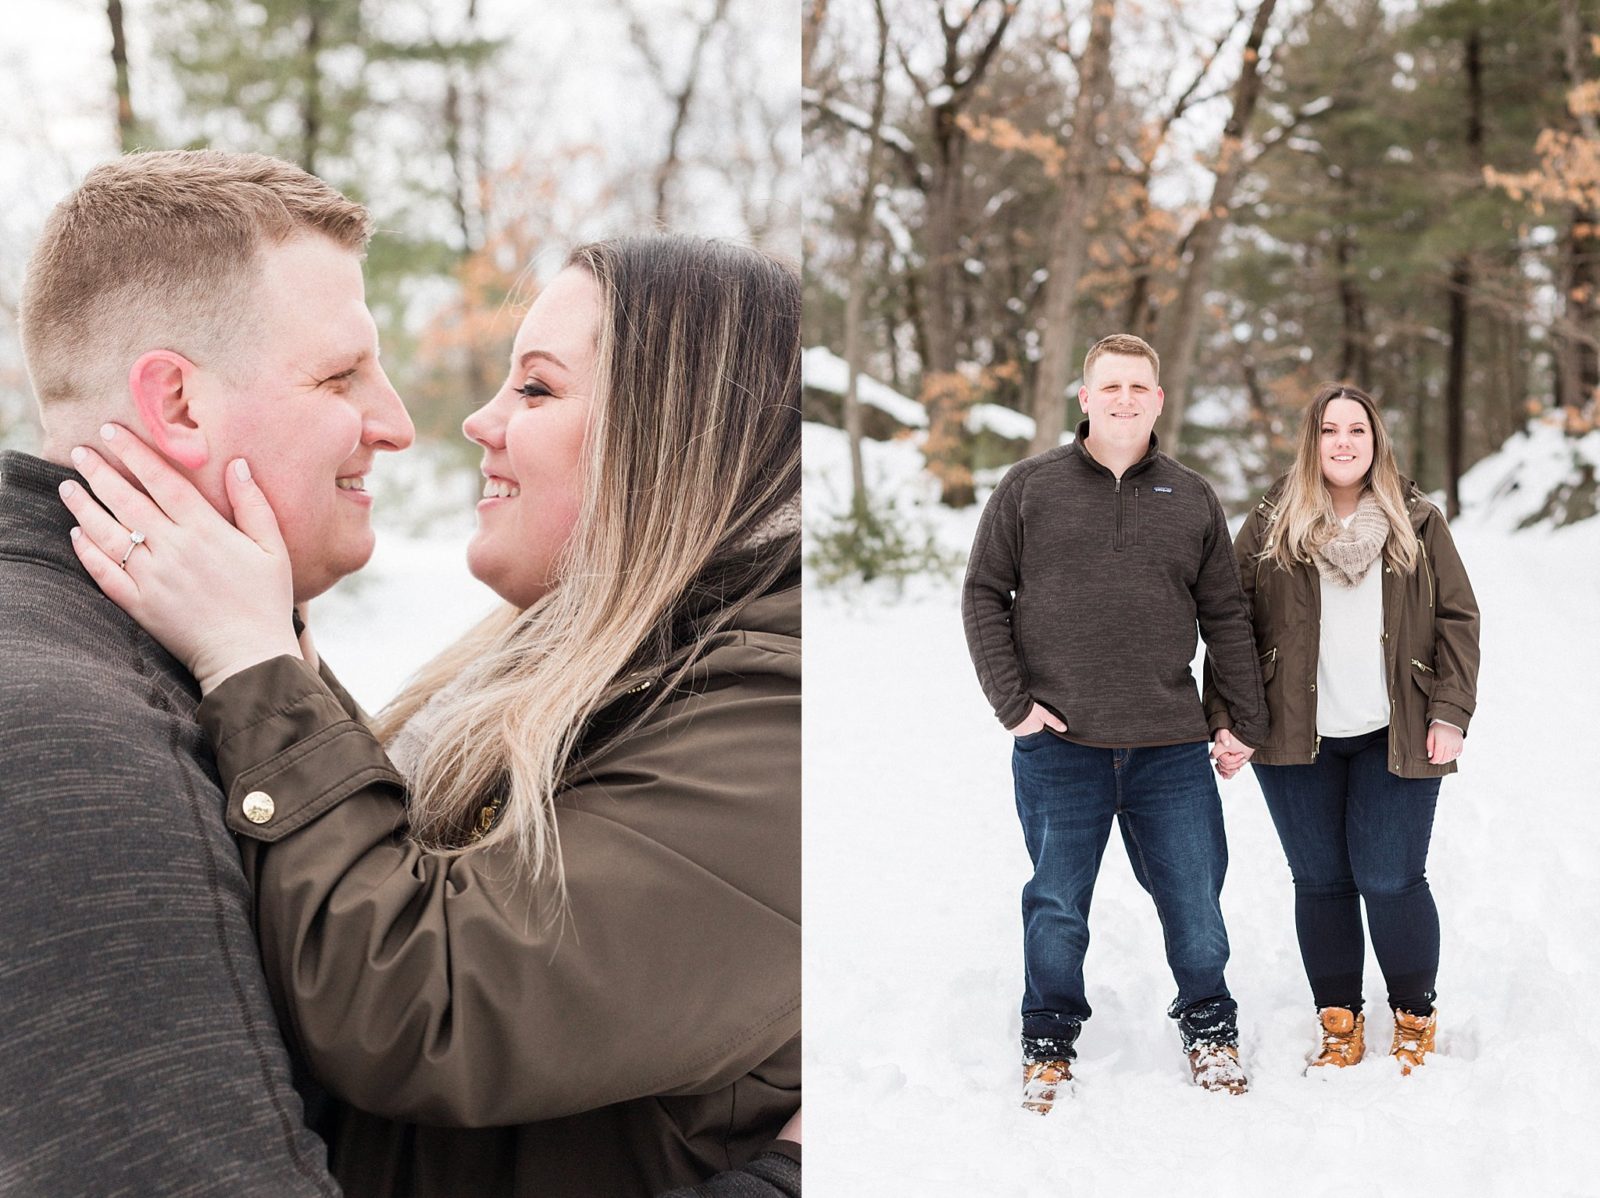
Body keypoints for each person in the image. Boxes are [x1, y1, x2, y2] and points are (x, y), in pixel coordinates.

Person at [63, 234, 801, 1197]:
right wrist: (279, 657)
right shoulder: (628, 664)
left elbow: (427, 1006)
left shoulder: (773, 721)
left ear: (677, 433)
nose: (477, 422)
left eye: (535, 390)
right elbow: (422, 867)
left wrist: (254, 664)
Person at [0, 149, 411, 1195]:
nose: (396, 423)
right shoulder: (75, 749)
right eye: (339, 375)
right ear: (177, 403)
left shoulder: (141, 657)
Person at [961, 333, 1270, 1111]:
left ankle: (1210, 1026)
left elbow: (1226, 616)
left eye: (1140, 386)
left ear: (1158, 399)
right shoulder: (1030, 488)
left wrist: (1240, 720)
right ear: (1085, 397)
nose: (1125, 398)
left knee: (1196, 899)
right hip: (1060, 746)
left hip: (1169, 745)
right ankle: (1047, 1037)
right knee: (1058, 903)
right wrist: (1013, 705)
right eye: (1111, 386)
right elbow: (983, 594)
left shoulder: (1193, 497)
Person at [1205, 383, 1479, 1075]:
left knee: (1390, 877)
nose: (1344, 442)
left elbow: (1457, 619)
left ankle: (1413, 1015)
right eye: (1330, 430)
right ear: (1313, 440)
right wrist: (1229, 718)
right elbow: (1229, 623)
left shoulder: (1416, 519)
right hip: (1296, 738)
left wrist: (1450, 710)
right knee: (1322, 880)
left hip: (1400, 728)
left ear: (1375, 440)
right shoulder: (1271, 522)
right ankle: (1340, 1021)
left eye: (1357, 429)